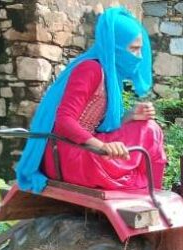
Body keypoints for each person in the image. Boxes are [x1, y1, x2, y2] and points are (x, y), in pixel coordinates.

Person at [15, 7, 167, 193]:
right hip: (68, 154)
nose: (139, 57)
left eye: (140, 50)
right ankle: (151, 189)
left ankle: (152, 189)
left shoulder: (109, 74)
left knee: (149, 128)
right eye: (133, 49)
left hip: (84, 147)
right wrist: (102, 146)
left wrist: (131, 115)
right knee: (149, 138)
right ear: (115, 46)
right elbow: (64, 121)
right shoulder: (90, 69)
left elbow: (99, 124)